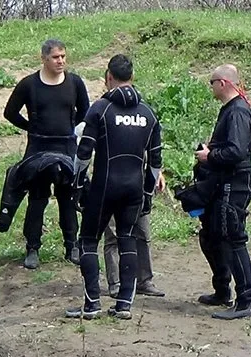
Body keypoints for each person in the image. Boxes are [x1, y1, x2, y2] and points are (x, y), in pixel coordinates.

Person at [65, 54, 162, 320]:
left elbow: (84, 152)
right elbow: (155, 162)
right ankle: (123, 306)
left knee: (88, 241)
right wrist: (148, 193)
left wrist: (76, 184)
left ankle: (92, 304)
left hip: (104, 186)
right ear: (132, 77)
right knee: (127, 240)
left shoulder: (100, 109)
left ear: (108, 77)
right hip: (133, 188)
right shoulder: (148, 113)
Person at [1, 38, 90, 269]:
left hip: (67, 148)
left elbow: (85, 113)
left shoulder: (75, 83)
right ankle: (32, 248)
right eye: (55, 57)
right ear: (44, 59)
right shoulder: (29, 85)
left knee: (68, 200)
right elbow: (10, 112)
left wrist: (70, 129)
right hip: (39, 149)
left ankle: (72, 246)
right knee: (37, 200)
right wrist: (31, 127)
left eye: (63, 56)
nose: (60, 61)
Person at [193, 64, 251, 320]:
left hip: (236, 183)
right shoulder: (231, 110)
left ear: (222, 83)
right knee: (211, 235)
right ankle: (223, 290)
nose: (211, 87)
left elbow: (237, 151)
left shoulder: (238, 112)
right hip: (223, 182)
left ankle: (245, 300)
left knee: (233, 238)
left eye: (212, 83)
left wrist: (211, 155)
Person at [102, 172, 166, 298]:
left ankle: (144, 281)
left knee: (143, 234)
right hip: (110, 182)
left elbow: (152, 153)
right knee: (113, 238)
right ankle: (116, 284)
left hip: (139, 185)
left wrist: (157, 172)